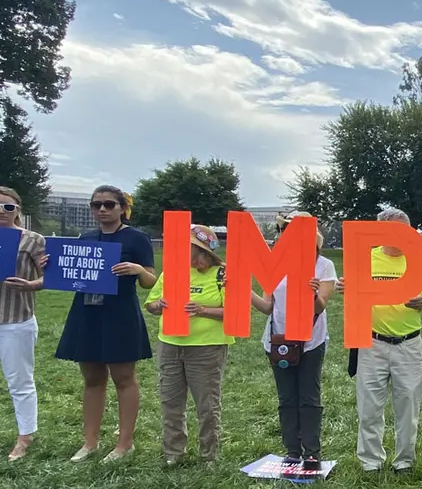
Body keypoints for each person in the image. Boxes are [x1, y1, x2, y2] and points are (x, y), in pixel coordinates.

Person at [54, 186, 157, 463]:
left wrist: (138, 270)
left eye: (109, 204)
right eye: (96, 204)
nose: (102, 209)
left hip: (120, 312)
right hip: (86, 312)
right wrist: (50, 265)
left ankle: (124, 445)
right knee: (91, 378)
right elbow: (67, 273)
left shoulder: (136, 238)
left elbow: (151, 281)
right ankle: (90, 443)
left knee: (124, 378)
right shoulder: (85, 238)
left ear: (122, 208)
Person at [335, 208, 422, 474]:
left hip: (409, 344)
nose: (405, 235)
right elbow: (352, 291)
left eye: (408, 230)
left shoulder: (419, 260)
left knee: (408, 406)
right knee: (369, 407)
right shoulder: (364, 258)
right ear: (381, 231)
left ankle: (404, 461)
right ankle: (371, 462)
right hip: (372, 343)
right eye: (397, 230)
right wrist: (346, 287)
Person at [252, 212, 335, 471]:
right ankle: (291, 451)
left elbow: (320, 307)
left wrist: (312, 294)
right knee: (286, 398)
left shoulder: (323, 265)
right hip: (279, 340)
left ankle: (311, 453)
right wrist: (243, 290)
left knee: (309, 397)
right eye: (287, 230)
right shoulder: (276, 265)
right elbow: (267, 306)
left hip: (311, 340)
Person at [144, 224, 233, 466]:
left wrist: (203, 311)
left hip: (207, 348)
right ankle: (173, 452)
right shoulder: (172, 271)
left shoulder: (222, 274)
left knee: (207, 404)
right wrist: (157, 305)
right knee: (170, 400)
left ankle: (209, 454)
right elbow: (150, 305)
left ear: (200, 250)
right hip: (170, 344)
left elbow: (235, 312)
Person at [0, 187, 47, 461]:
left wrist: (30, 285)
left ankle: (25, 436)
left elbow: (49, 277)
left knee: (20, 381)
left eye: (8, 207)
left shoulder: (33, 240)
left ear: (18, 210)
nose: (2, 213)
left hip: (16, 320)